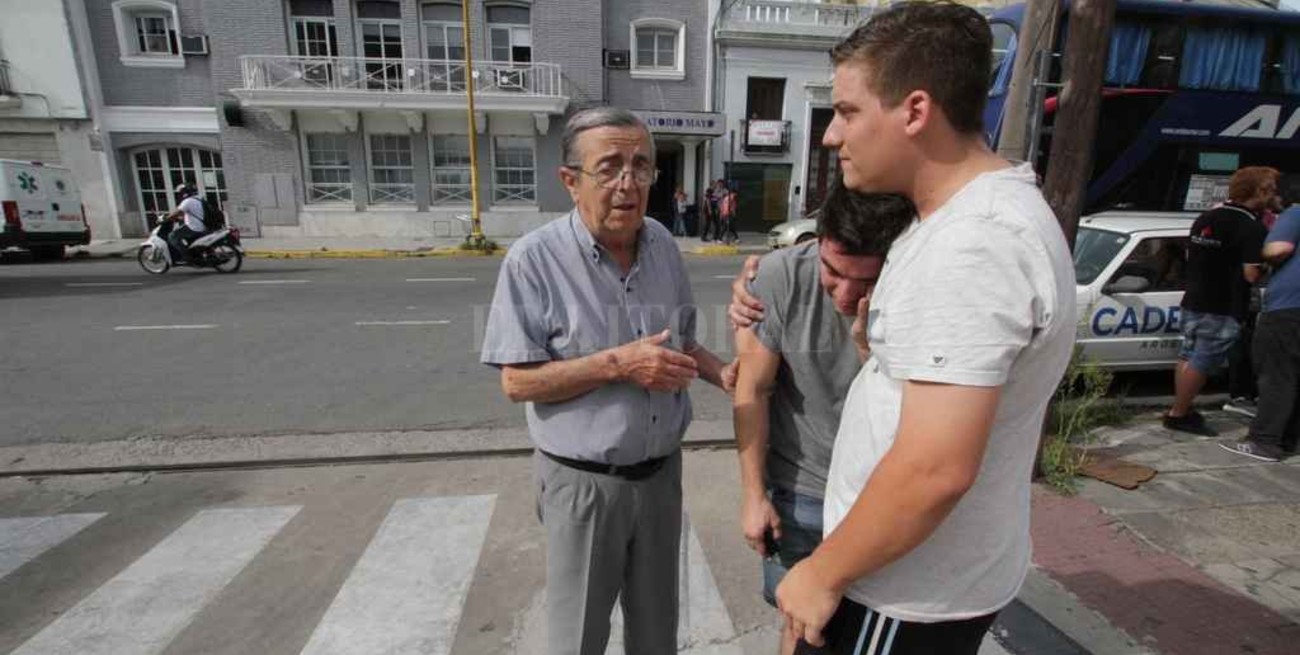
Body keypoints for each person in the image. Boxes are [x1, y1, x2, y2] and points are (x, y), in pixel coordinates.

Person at [771, 4, 1076, 653]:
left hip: (897, 589)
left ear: (914, 111)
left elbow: (935, 466)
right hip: (904, 574)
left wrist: (822, 571)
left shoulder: (972, 245)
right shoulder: (963, 217)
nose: (831, 134)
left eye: (849, 111)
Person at [480, 107, 729, 655]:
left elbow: (683, 340)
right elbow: (518, 383)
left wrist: (728, 375)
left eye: (642, 167)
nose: (628, 184)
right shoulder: (533, 260)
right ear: (571, 181)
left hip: (662, 478)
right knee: (578, 640)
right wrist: (616, 364)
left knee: (658, 633)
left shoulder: (662, 241)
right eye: (610, 167)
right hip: (584, 486)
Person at [730, 178, 916, 655]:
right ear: (817, 242)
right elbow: (753, 387)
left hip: (879, 500)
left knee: (865, 634)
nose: (846, 295)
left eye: (866, 281)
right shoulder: (779, 276)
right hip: (800, 493)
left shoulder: (918, 288)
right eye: (833, 272)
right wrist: (754, 496)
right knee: (797, 625)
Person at [1162, 166, 1277, 436]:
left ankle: (1181, 408)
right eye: (1271, 189)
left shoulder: (1206, 217)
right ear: (1259, 191)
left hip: (1194, 297)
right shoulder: (1251, 227)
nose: (1275, 194)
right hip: (1223, 303)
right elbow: (1251, 273)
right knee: (1202, 359)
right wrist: (1270, 266)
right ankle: (1179, 413)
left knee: (1188, 354)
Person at [1223, 194, 1300, 461]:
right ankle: (1288, 438)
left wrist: (1264, 255)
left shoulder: (1295, 213)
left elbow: (1279, 249)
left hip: (1288, 307)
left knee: (1276, 373)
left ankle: (1264, 442)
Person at [163, 184, 207, 261]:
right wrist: (180, 219)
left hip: (193, 228)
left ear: (184, 192)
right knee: (182, 231)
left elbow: (177, 212)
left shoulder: (187, 201)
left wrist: (166, 218)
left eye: (181, 193)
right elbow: (192, 213)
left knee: (172, 236)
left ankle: (185, 255)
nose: (180, 195)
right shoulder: (199, 199)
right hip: (203, 226)